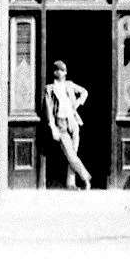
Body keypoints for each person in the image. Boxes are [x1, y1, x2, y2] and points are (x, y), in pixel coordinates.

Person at [45, 60, 91, 190]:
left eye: (61, 69)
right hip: (61, 124)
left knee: (73, 154)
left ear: (65, 72)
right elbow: (49, 110)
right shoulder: (50, 88)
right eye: (56, 69)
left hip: (73, 121)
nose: (59, 71)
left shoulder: (69, 85)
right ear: (54, 72)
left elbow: (84, 92)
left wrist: (77, 104)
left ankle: (71, 183)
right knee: (70, 154)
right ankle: (86, 178)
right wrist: (53, 127)